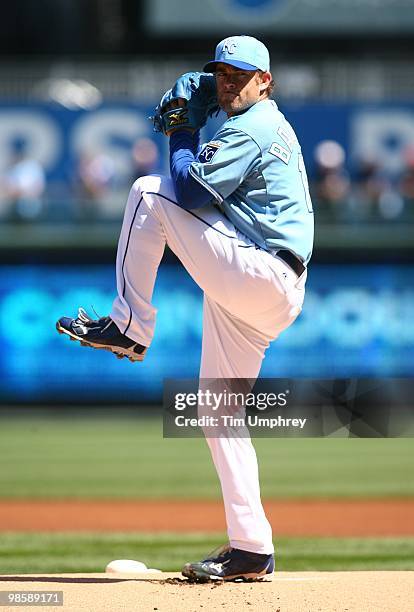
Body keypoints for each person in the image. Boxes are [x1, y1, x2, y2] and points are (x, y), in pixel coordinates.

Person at [57, 35, 314, 582]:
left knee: (150, 192)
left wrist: (180, 128)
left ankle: (129, 326)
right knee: (217, 414)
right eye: (221, 73)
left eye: (239, 75)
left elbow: (190, 194)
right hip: (257, 288)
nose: (227, 83)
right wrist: (197, 112)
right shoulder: (243, 119)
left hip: (262, 272)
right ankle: (251, 549)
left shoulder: (256, 125)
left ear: (265, 81)